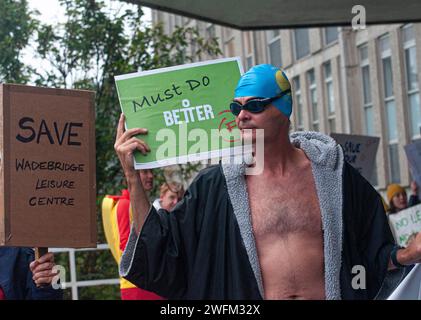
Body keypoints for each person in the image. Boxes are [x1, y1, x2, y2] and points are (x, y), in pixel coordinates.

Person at [114, 64, 421, 300]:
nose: (242, 115)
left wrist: (406, 254)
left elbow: (370, 251)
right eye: (237, 107)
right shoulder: (216, 188)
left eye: (255, 106)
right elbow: (162, 250)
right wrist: (133, 177)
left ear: (285, 107)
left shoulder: (333, 174)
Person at [102, 169, 163, 300]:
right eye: (145, 172)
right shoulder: (125, 204)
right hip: (136, 285)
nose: (150, 176)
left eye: (151, 172)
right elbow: (124, 246)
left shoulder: (134, 204)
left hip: (146, 282)